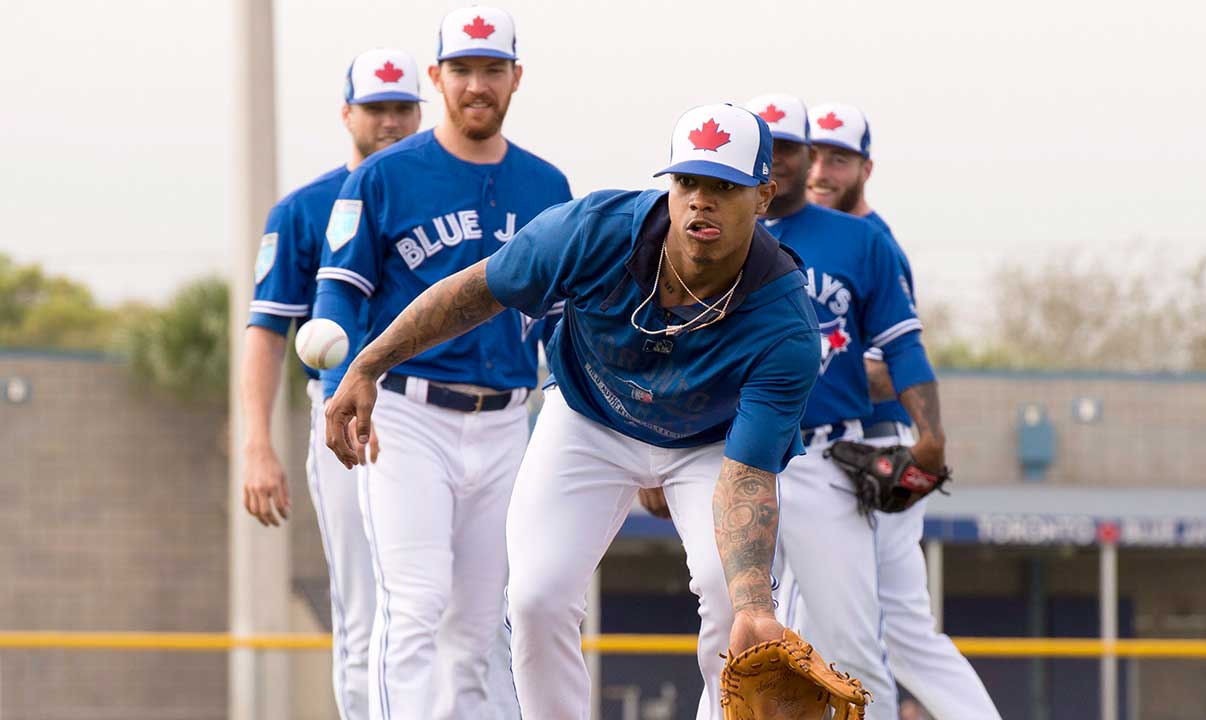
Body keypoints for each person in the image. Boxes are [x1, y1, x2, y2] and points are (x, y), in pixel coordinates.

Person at [325, 103, 821, 720]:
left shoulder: (786, 324)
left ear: (764, 197)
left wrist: (754, 607)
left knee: (733, 605)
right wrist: (371, 363)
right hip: (589, 417)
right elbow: (476, 292)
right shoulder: (595, 230)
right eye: (688, 182)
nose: (700, 201)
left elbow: (747, 477)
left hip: (706, 443)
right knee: (537, 598)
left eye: (724, 187)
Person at [311, 7, 570, 718]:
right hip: (405, 415)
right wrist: (341, 385)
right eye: (462, 70)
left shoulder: (548, 188)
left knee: (481, 624)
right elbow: (339, 297)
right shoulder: (384, 177)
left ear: (516, 78)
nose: (477, 85)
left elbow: (562, 325)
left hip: (507, 421)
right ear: (438, 77)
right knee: (415, 603)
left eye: (492, 69)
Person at [803, 100, 1001, 719]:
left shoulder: (873, 241)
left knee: (884, 630)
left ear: (865, 167)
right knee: (855, 625)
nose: (821, 171)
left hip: (873, 448)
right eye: (812, 155)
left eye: (838, 158)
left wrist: (820, 376)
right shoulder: (813, 237)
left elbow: (900, 366)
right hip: (837, 448)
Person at [241, 47, 422, 720]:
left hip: (442, 413)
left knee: (462, 607)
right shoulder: (304, 211)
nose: (391, 122)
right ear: (347, 114)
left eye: (403, 108)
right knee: (365, 608)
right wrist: (258, 444)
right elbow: (265, 332)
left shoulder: (439, 197)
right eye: (376, 109)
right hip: (346, 419)